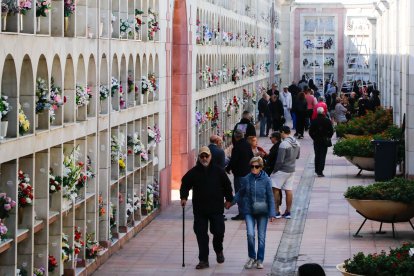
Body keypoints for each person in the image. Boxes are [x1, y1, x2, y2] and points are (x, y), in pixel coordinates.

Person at [180, 146, 234, 269]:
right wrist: (183, 197)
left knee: (219, 232)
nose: (204, 158)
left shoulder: (219, 171)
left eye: (206, 156)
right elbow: (185, 184)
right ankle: (203, 260)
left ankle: (218, 250)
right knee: (201, 234)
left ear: (210, 157)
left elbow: (227, 186)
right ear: (199, 158)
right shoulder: (193, 172)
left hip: (216, 208)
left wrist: (229, 199)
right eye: (202, 156)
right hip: (200, 210)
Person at [228, 157, 276, 270]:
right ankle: (251, 257)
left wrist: (272, 213)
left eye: (256, 166)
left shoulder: (267, 180)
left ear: (261, 167)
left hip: (262, 211)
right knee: (250, 234)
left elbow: (270, 197)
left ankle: (260, 259)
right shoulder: (247, 179)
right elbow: (241, 192)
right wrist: (231, 202)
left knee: (261, 236)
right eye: (252, 166)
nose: (254, 168)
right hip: (249, 210)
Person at [270, 126, 300, 219]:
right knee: (288, 190)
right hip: (292, 169)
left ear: (283, 132)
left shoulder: (283, 144)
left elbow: (280, 160)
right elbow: (298, 156)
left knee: (275, 188)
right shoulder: (297, 143)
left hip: (282, 170)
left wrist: (275, 170)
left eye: (280, 133)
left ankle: (276, 211)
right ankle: (288, 212)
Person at [226, 129, 254, 220]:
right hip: (247, 172)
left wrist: (228, 168)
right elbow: (252, 157)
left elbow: (234, 160)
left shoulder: (236, 147)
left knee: (240, 193)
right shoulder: (247, 145)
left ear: (235, 137)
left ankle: (242, 213)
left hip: (239, 174)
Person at [309, 107, 334, 177]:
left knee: (317, 155)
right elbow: (331, 131)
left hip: (316, 140)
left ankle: (317, 169)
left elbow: (310, 132)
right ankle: (320, 171)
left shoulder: (314, 121)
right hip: (324, 140)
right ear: (323, 112)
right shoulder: (327, 121)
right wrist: (328, 137)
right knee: (322, 155)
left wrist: (314, 138)